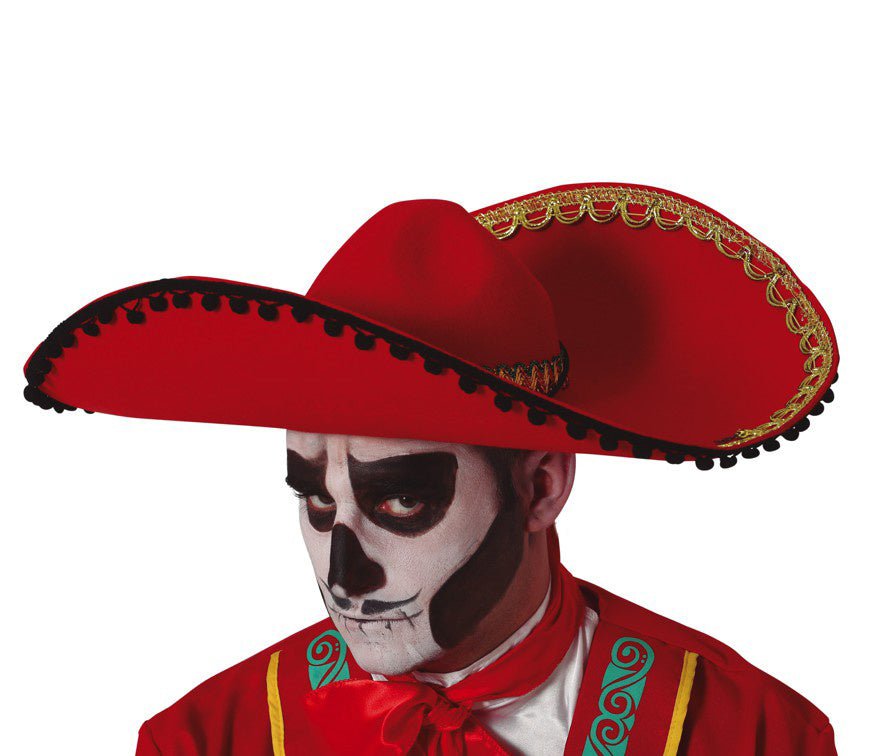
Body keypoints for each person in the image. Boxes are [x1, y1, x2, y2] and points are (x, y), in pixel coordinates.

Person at [22, 183, 840, 753]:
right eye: (316, 503)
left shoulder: (749, 735)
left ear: (541, 487)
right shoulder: (211, 740)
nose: (342, 573)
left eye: (400, 502)